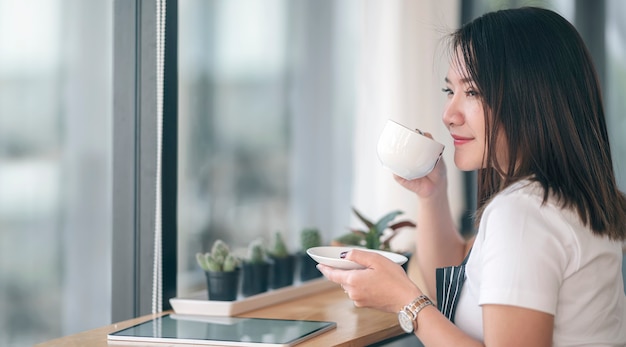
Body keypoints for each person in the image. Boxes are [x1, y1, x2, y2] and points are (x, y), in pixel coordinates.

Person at [317, 7, 626, 347]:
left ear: (533, 98)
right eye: (450, 91)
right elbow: (459, 290)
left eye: (474, 92)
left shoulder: (523, 214)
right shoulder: (564, 200)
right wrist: (432, 195)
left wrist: (406, 302)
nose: (448, 115)